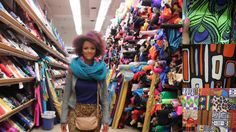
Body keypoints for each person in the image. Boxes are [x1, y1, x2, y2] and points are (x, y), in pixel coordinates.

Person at [61, 31, 109, 132]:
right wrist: (63, 119)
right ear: (81, 50)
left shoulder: (100, 71)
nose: (89, 51)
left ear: (97, 50)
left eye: (92, 48)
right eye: (85, 48)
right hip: (74, 113)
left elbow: (104, 98)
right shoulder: (73, 69)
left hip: (95, 114)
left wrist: (105, 120)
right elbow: (66, 96)